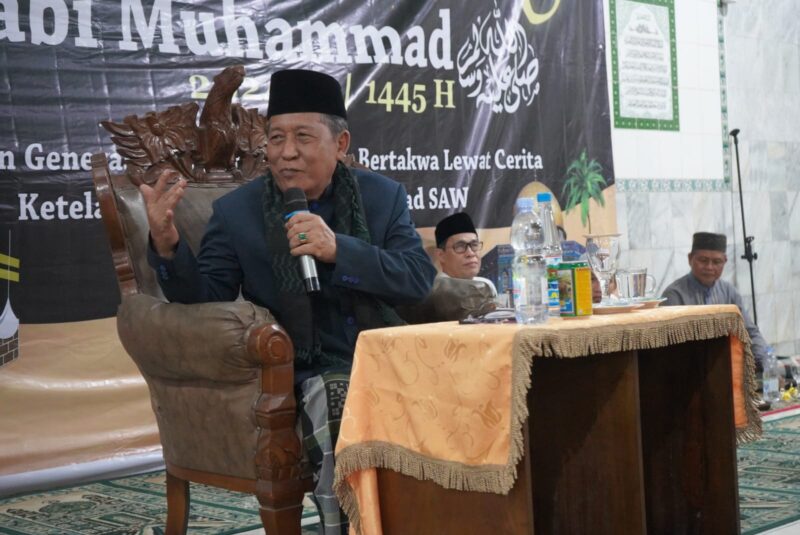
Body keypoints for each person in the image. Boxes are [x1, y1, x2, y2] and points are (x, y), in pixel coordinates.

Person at [142, 69, 436, 535]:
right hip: (296, 367)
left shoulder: (382, 197)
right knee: (336, 394)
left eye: (302, 137)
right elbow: (205, 300)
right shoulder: (237, 212)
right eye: (276, 138)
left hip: (383, 354)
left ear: (340, 144)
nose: (286, 153)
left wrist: (340, 249)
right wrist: (167, 244)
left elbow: (418, 280)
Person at [662, 231, 768, 366]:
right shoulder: (674, 294)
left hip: (726, 370)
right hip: (686, 372)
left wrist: (763, 364)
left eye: (716, 261)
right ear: (690, 259)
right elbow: (668, 346)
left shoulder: (729, 292)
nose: (709, 267)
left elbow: (750, 332)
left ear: (724, 262)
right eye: (703, 260)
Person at [434, 212, 498, 296]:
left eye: (474, 245)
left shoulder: (486, 286)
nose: (470, 253)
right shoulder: (436, 293)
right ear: (441, 255)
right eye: (460, 246)